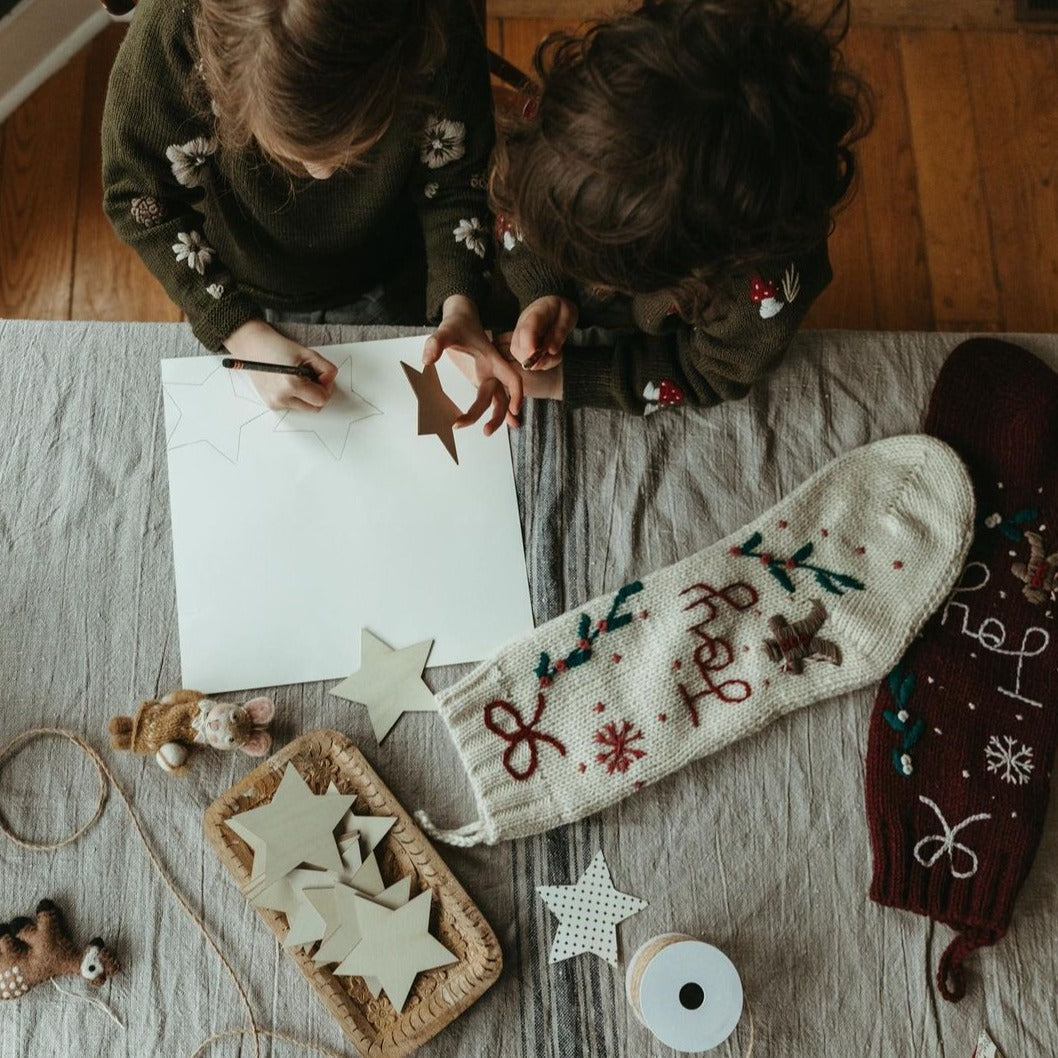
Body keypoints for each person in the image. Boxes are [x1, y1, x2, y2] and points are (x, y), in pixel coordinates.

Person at [103, 0, 519, 426]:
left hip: (400, 264)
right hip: (241, 283)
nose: (322, 174)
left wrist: (460, 302)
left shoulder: (437, 23)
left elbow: (457, 179)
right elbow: (137, 195)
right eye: (292, 157)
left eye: (356, 144)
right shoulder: (172, 34)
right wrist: (241, 331)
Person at [480, 0, 871, 416]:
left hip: (659, 333)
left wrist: (568, 379)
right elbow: (516, 193)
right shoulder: (567, 127)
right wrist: (543, 289)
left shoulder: (762, 295)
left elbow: (705, 373)